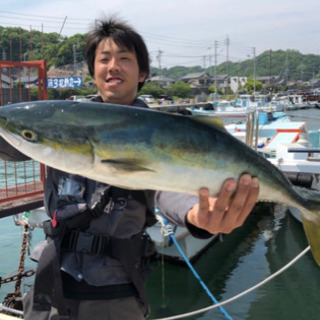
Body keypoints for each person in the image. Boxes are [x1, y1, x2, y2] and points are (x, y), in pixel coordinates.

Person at [0, 17, 259, 320]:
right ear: (92, 72)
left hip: (114, 292)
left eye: (124, 59)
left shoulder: (159, 132)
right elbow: (14, 144)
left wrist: (196, 216)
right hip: (50, 284)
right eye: (104, 59)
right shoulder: (63, 122)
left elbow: (168, 186)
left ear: (143, 72)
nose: (113, 66)